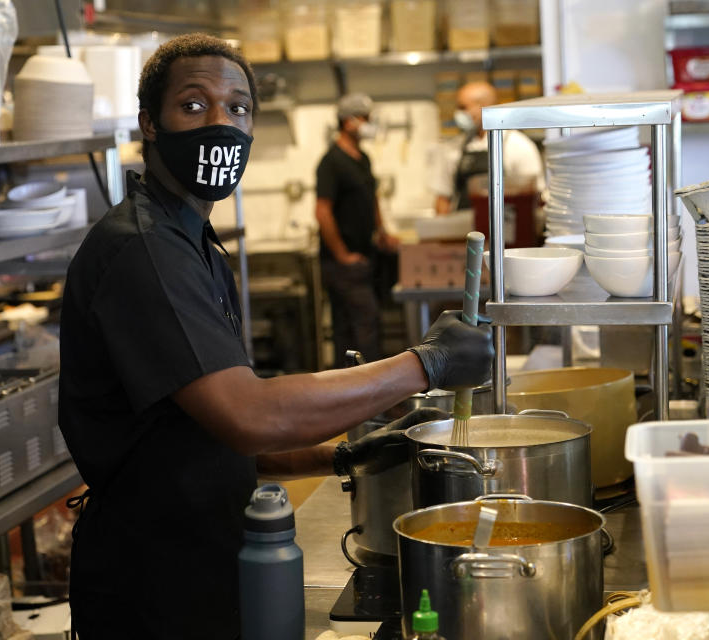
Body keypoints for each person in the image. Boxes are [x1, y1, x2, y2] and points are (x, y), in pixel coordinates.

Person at [58, 34, 493, 639]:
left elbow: (208, 428)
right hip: (154, 583)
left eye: (237, 108)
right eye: (193, 105)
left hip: (203, 557)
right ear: (149, 124)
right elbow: (249, 416)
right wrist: (427, 364)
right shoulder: (143, 249)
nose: (220, 123)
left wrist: (341, 455)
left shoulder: (190, 242)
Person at [315, 93, 398, 365]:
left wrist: (382, 232)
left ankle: (355, 397)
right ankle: (374, 397)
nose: (370, 124)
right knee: (364, 326)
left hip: (364, 256)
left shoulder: (362, 158)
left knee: (352, 327)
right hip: (343, 264)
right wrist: (342, 255)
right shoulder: (331, 162)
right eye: (365, 118)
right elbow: (322, 211)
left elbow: (371, 198)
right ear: (348, 122)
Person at [429, 81, 545, 214]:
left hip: (507, 228)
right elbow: (443, 198)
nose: (458, 113)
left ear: (484, 107)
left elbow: (535, 196)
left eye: (463, 107)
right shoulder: (454, 147)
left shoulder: (519, 146)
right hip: (465, 230)